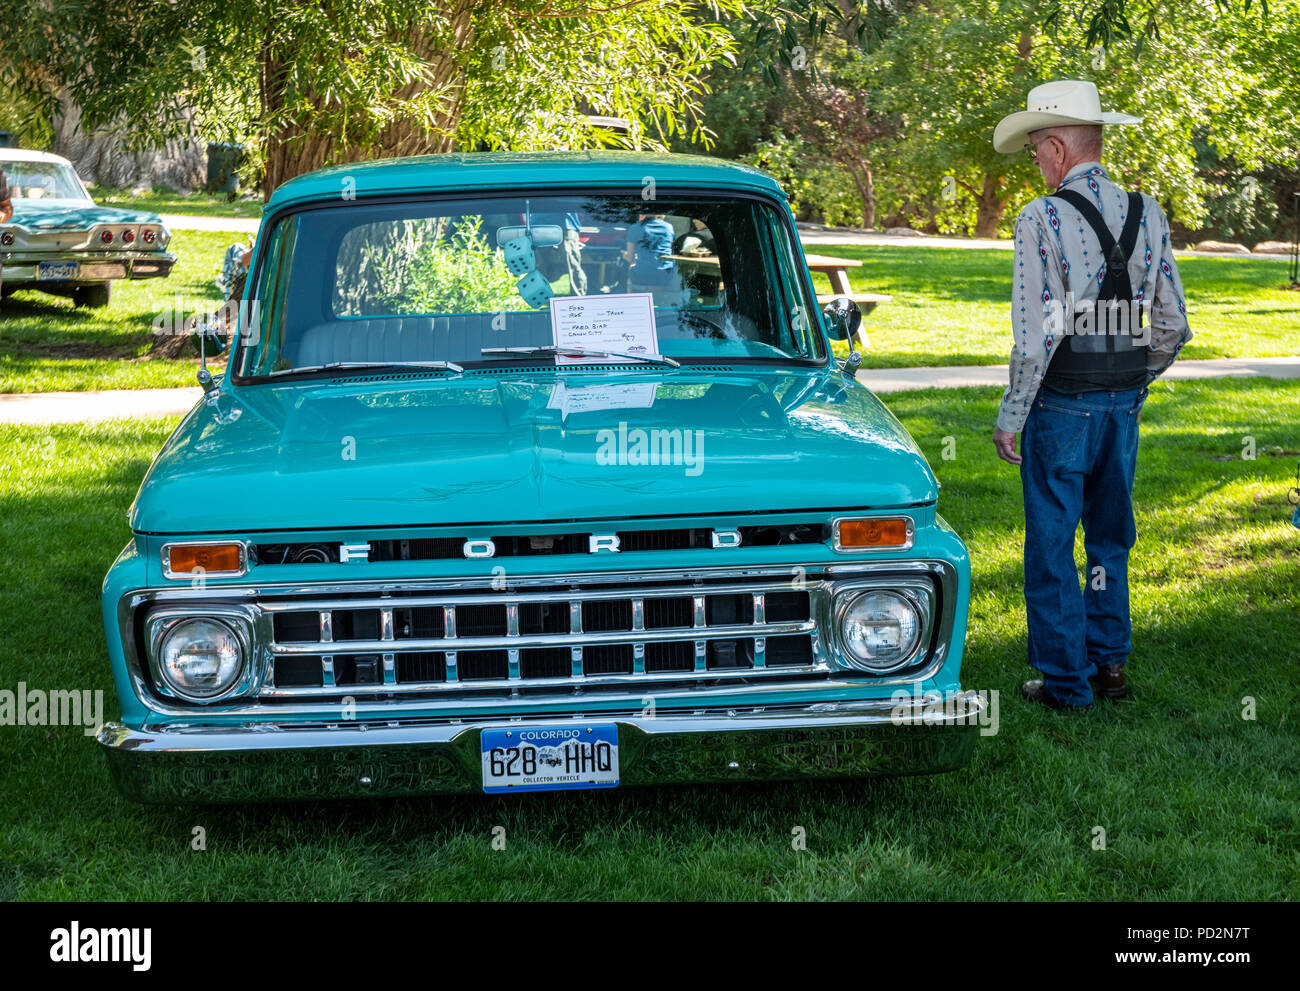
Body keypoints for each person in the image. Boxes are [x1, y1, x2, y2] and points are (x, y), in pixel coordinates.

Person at [990, 80, 1192, 710]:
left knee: (1052, 539)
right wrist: (1136, 376)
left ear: (1055, 147)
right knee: (1110, 534)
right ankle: (1109, 667)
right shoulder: (1147, 211)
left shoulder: (1040, 217)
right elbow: (1174, 324)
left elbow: (1035, 335)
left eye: (1034, 151)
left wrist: (1011, 415)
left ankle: (1065, 682)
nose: (1035, 163)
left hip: (1062, 403)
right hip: (1122, 401)